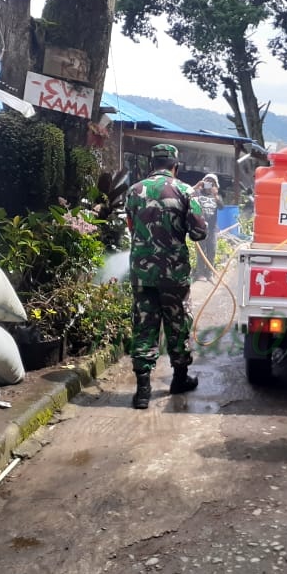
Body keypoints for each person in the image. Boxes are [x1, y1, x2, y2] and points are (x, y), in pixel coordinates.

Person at [126, 143, 208, 409]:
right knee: (178, 323)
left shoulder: (134, 191)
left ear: (152, 164)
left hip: (141, 271)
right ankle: (179, 380)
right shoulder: (185, 191)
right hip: (173, 273)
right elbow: (199, 233)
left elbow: (131, 226)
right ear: (175, 166)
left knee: (144, 324)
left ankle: (142, 392)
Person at [192, 173, 223, 280]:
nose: (209, 184)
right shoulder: (198, 193)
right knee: (201, 251)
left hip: (212, 228)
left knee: (212, 250)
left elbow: (222, 207)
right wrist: (196, 186)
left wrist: (215, 195)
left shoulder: (216, 195)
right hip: (200, 227)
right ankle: (200, 273)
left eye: (212, 183)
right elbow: (186, 195)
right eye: (207, 181)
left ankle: (209, 273)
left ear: (216, 185)